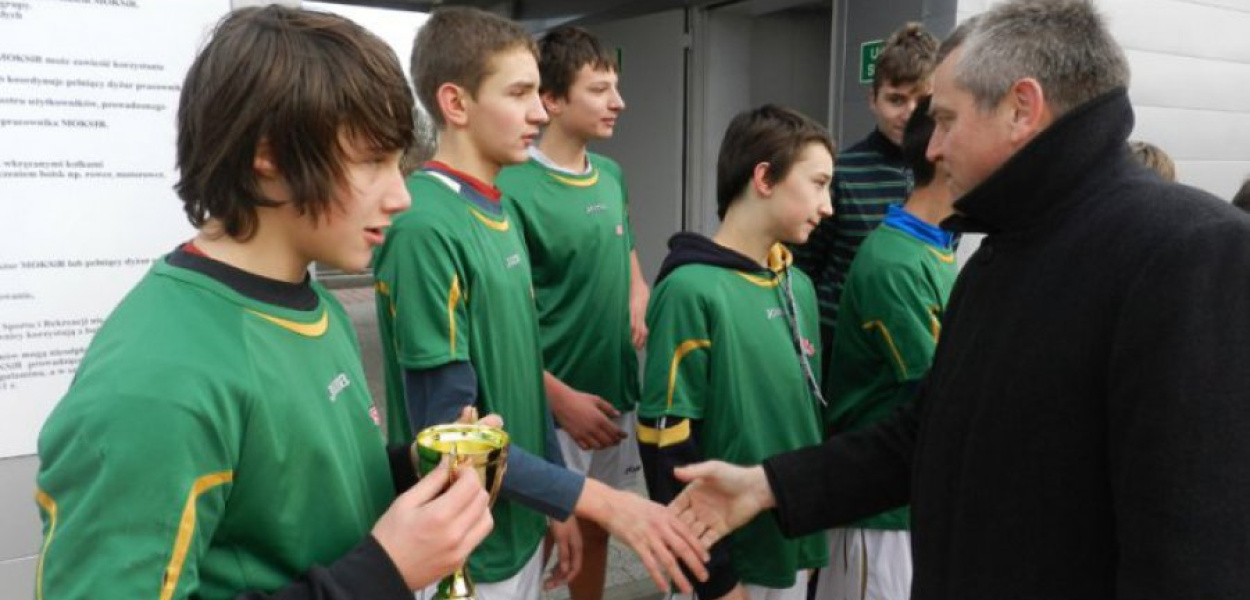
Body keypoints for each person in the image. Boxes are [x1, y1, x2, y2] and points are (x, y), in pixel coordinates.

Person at [670, 1, 1250, 598]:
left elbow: (1195, 550)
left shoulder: (1190, 252)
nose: (931, 148)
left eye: (945, 119)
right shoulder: (1000, 253)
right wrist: (766, 486)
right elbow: (923, 435)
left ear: (1020, 108)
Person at [33, 7, 495, 599]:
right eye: (373, 161)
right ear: (270, 156)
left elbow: (289, 489)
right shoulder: (156, 382)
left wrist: (416, 469)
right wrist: (381, 573)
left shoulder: (311, 303)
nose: (401, 195)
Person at [372, 8, 708, 600]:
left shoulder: (496, 206)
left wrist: (557, 501)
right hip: (471, 551)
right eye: (520, 92)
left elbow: (522, 376)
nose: (537, 111)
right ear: (456, 103)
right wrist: (600, 501)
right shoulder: (425, 227)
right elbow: (449, 438)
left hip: (519, 523)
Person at [637, 105, 833, 600]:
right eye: (818, 183)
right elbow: (668, 446)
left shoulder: (799, 285)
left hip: (791, 546)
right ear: (764, 177)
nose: (828, 205)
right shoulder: (690, 290)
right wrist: (714, 577)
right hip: (728, 567)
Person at [495, 25, 649, 600]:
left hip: (613, 393)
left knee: (598, 524)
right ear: (553, 100)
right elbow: (503, 324)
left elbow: (626, 248)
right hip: (555, 411)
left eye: (617, 88)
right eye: (601, 89)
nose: (619, 102)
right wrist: (557, 400)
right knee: (543, 534)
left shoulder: (610, 175)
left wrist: (638, 292)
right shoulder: (512, 187)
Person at [794, 22, 938, 373]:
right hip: (843, 357)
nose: (909, 113)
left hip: (917, 350)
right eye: (896, 99)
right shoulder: (840, 173)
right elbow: (802, 272)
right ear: (873, 100)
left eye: (922, 100)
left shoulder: (946, 173)